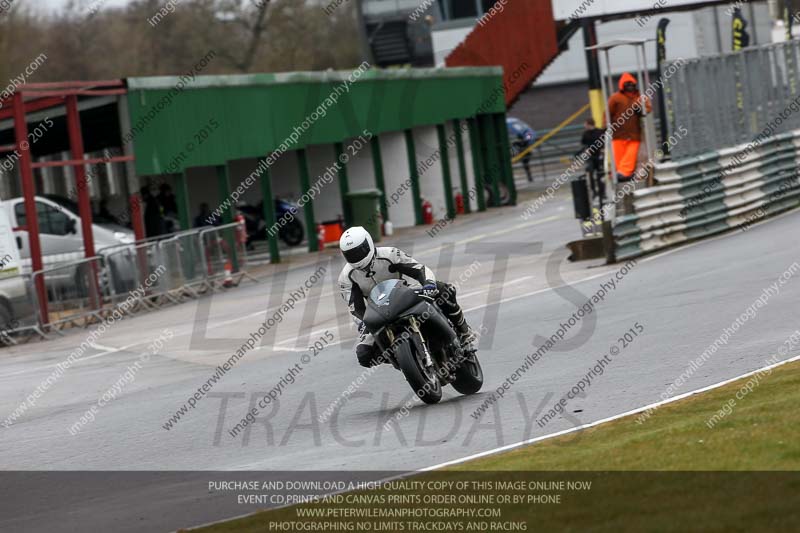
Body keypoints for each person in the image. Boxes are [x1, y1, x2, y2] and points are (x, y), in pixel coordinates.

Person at [337, 226, 475, 368]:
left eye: (359, 251)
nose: (357, 257)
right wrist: (363, 323)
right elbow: (355, 307)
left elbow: (419, 268)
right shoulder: (346, 277)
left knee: (445, 291)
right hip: (380, 310)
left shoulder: (390, 254)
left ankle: (464, 331)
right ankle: (405, 362)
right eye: (351, 254)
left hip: (408, 293)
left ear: (369, 244)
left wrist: (428, 284)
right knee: (363, 354)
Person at [607, 72, 651, 182]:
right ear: (622, 85)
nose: (630, 86)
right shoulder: (615, 98)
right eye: (627, 84)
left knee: (630, 155)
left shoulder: (640, 98)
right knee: (619, 157)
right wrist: (605, 126)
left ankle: (623, 173)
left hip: (634, 133)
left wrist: (641, 110)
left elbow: (648, 108)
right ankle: (620, 174)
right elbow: (608, 112)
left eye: (632, 84)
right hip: (618, 133)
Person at [580, 118, 606, 201]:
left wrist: (603, 150)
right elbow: (583, 143)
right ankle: (594, 192)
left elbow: (603, 142)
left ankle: (602, 193)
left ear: (589, 124)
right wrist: (586, 150)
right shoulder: (585, 134)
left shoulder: (599, 132)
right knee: (590, 173)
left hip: (599, 155)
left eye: (585, 124)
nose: (584, 126)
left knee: (600, 175)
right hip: (590, 156)